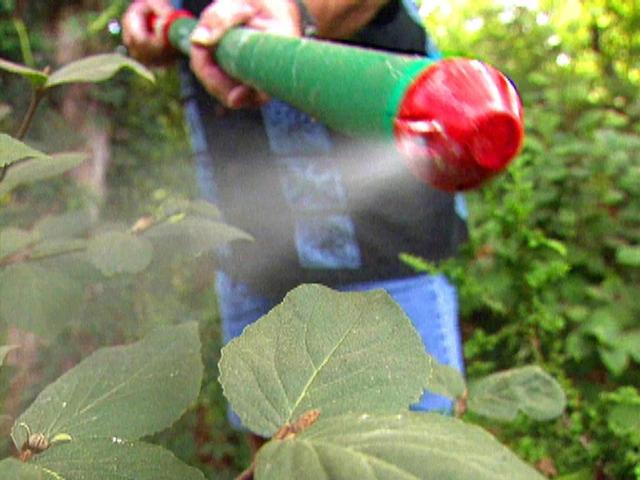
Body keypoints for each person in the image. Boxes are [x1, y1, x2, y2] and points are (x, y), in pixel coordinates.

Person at [123, 0, 467, 422]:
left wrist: (300, 11)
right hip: (248, 254)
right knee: (274, 447)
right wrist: (153, 17)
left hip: (382, 255)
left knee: (407, 450)